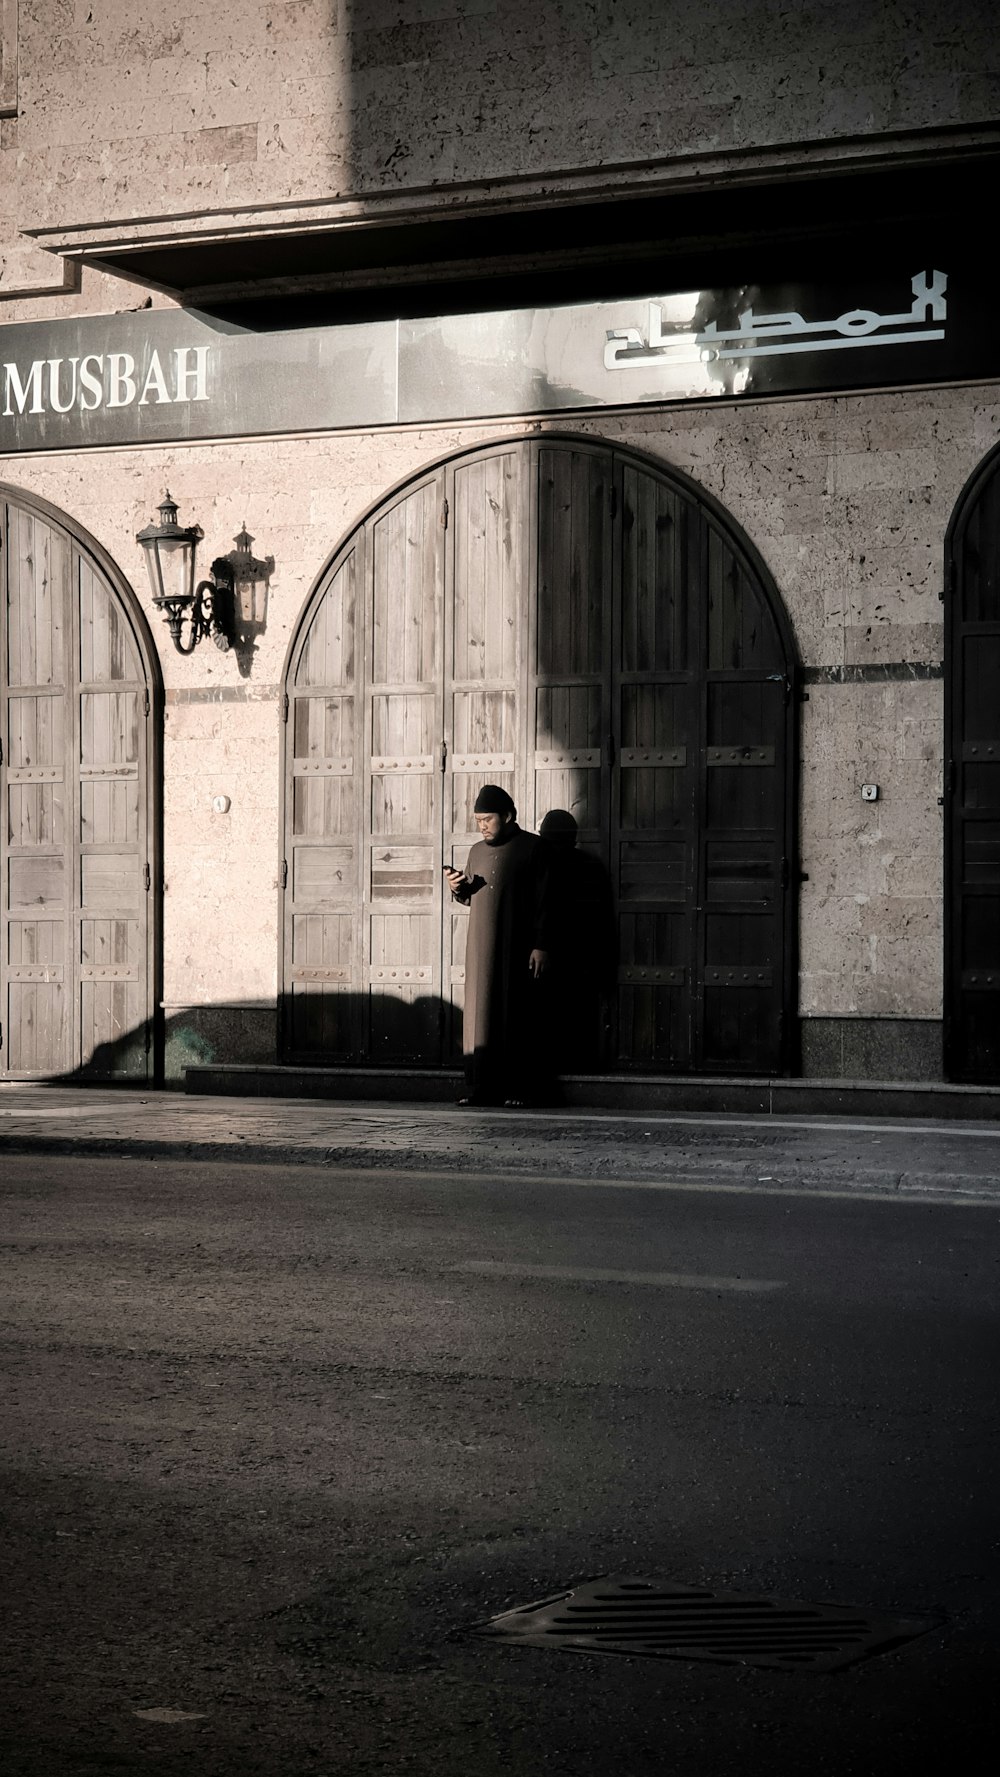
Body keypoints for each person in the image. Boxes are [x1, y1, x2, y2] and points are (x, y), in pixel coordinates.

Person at [444, 784, 552, 1106]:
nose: (482, 826)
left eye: (487, 819)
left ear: (507, 816)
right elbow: (468, 895)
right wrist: (457, 887)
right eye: (478, 820)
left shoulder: (535, 848)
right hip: (481, 947)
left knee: (516, 1015)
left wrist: (541, 944)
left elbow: (547, 901)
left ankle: (518, 1090)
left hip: (519, 946)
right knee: (480, 1016)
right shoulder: (476, 851)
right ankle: (480, 1090)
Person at [538, 809, 618, 1072]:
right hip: (584, 957)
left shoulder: (540, 865)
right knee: (581, 1016)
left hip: (546, 956)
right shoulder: (591, 865)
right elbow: (604, 918)